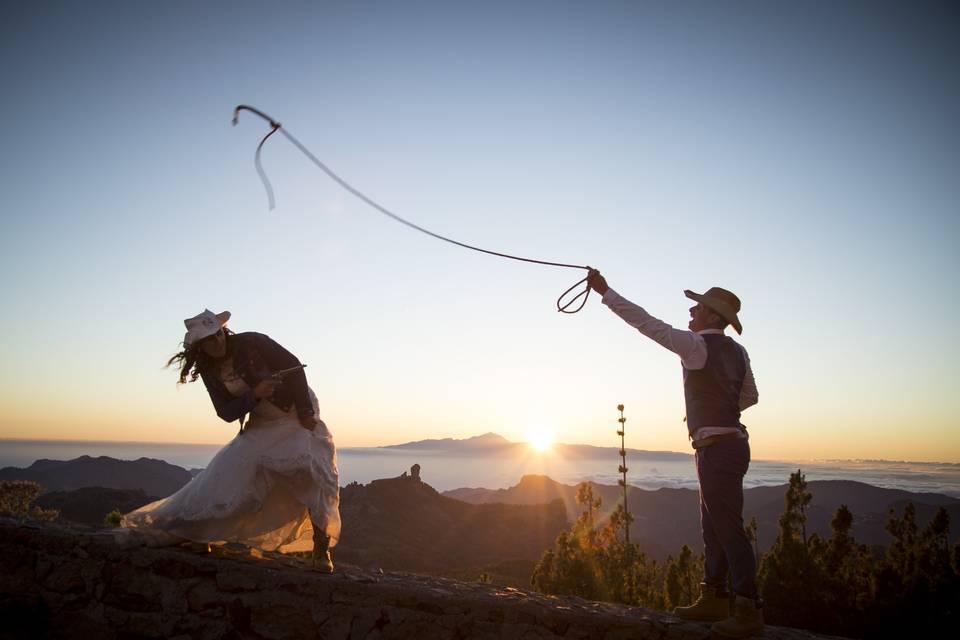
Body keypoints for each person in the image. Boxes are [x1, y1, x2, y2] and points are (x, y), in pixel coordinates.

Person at [586, 271, 762, 639]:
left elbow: (648, 324)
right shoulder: (739, 352)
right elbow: (750, 397)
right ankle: (713, 597)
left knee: (728, 530)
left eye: (699, 306)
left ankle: (748, 610)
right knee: (713, 528)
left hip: (717, 450)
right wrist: (715, 409)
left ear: (714, 317)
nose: (693, 309)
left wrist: (606, 293)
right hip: (729, 445)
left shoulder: (697, 345)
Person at [122, 309, 340, 572]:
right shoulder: (209, 370)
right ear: (200, 347)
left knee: (310, 468)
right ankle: (196, 534)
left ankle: (321, 547)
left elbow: (295, 367)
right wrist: (254, 395)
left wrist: (305, 412)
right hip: (262, 422)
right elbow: (225, 412)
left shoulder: (254, 342)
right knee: (227, 478)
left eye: (218, 333)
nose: (218, 341)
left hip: (297, 413)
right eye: (210, 339)